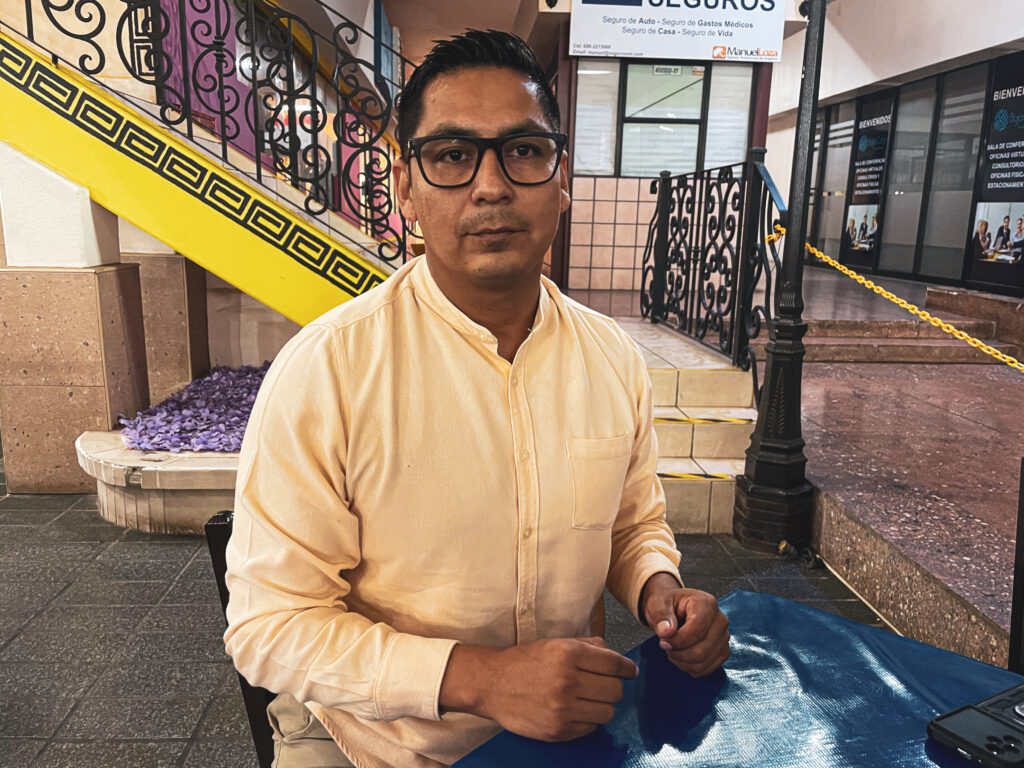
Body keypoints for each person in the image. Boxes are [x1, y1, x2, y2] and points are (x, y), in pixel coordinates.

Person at [224, 29, 730, 768]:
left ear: (561, 178)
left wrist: (661, 590)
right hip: (369, 739)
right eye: (453, 155)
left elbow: (631, 523)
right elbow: (268, 627)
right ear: (406, 187)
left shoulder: (611, 357)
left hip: (563, 730)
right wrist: (481, 679)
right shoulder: (329, 369)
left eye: (523, 150)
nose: (491, 186)